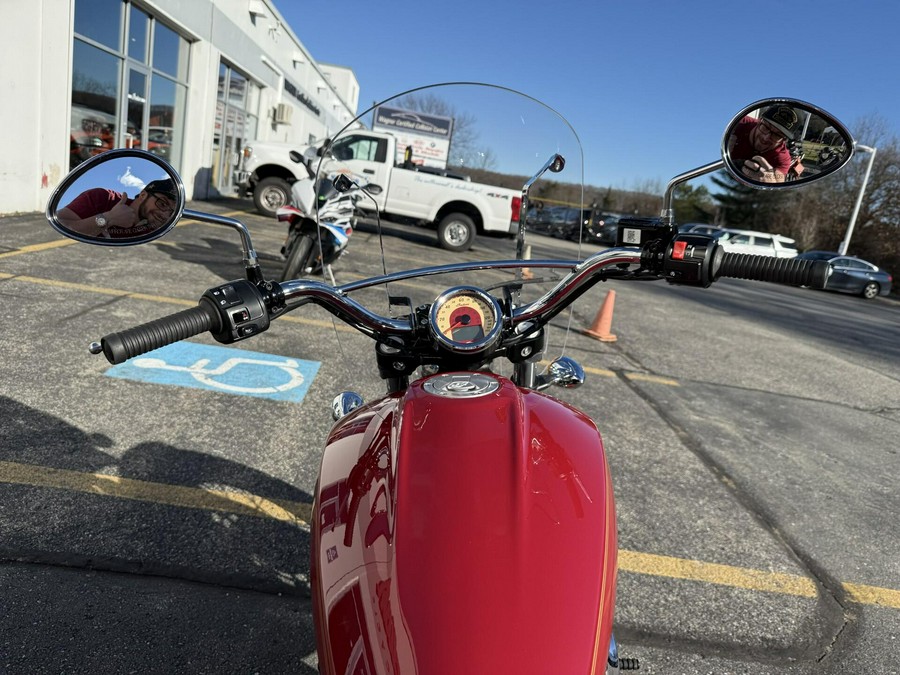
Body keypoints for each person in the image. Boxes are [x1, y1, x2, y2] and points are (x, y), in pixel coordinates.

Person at [57, 178, 178, 238]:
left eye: (172, 211)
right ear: (143, 195)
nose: (165, 214)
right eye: (162, 204)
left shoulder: (154, 227)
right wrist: (108, 218)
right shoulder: (102, 198)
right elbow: (60, 223)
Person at [727, 105, 800, 183]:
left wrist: (770, 183)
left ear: (784, 140)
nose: (766, 138)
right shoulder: (735, 124)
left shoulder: (782, 158)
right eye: (765, 127)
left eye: (777, 135)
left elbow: (779, 182)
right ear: (759, 121)